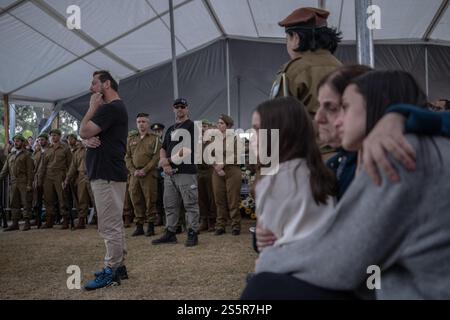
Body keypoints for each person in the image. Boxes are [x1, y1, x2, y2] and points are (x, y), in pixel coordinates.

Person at [243, 70, 450, 300]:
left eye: (343, 107)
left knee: (262, 287)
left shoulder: (396, 152)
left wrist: (271, 260)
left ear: (375, 105)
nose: (328, 119)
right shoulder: (340, 164)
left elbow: (344, 258)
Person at [251, 97, 336, 248]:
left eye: (258, 129)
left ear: (279, 131)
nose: (253, 137)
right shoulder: (318, 170)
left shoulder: (275, 182)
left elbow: (269, 245)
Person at [80, 70, 129, 290]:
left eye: (94, 84)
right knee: (114, 224)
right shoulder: (114, 109)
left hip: (107, 174)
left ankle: (111, 270)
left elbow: (83, 130)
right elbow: (89, 136)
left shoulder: (110, 108)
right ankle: (119, 267)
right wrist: (87, 141)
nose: (91, 88)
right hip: (109, 172)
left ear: (106, 84)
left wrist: (92, 107)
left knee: (109, 226)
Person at [270, 7, 342, 116]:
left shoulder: (294, 70)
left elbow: (275, 119)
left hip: (302, 133)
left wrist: (264, 133)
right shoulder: (342, 69)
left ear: (296, 38)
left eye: (287, 38)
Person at [151, 98, 200, 247]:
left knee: (190, 204)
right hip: (170, 173)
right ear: (173, 109)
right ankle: (170, 233)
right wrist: (164, 163)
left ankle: (192, 233)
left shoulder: (192, 126)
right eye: (177, 106)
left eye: (182, 106)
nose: (179, 109)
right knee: (170, 205)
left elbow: (187, 149)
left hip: (186, 172)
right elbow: (163, 147)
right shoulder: (171, 128)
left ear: (187, 109)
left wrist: (168, 161)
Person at [125, 113, 161, 237]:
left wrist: (145, 170)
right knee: (136, 199)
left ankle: (150, 226)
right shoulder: (131, 139)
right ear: (136, 123)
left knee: (150, 199)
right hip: (134, 174)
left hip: (149, 174)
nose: (141, 124)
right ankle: (139, 226)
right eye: (139, 122)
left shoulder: (154, 138)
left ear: (148, 123)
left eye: (144, 121)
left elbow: (156, 157)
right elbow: (127, 157)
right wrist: (133, 170)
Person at [211, 114, 242, 236]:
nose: (218, 125)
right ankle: (220, 225)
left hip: (232, 170)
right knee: (219, 199)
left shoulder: (235, 139)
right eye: (218, 123)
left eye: (221, 123)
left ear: (228, 126)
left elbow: (237, 154)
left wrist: (222, 164)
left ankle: (235, 225)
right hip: (217, 171)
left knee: (233, 199)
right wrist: (216, 167)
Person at [37, 129, 72, 229]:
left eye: (55, 135)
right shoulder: (47, 149)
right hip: (48, 176)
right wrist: (40, 179)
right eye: (51, 135)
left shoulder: (65, 149)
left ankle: (65, 219)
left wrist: (68, 178)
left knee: (62, 198)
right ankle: (49, 220)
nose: (53, 137)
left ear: (60, 136)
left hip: (60, 175)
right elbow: (43, 166)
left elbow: (70, 164)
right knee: (48, 199)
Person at [0, 134, 34, 231]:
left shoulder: (27, 155)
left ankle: (27, 222)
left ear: (23, 143)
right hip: (13, 182)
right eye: (15, 141)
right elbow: (4, 170)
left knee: (26, 202)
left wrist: (29, 184)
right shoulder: (11, 155)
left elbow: (30, 171)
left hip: (23, 182)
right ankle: (15, 223)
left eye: (18, 141)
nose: (16, 142)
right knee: (14, 203)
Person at [63, 133, 95, 229]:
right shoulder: (78, 151)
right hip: (81, 176)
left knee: (95, 199)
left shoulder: (95, 148)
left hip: (93, 175)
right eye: (84, 139)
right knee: (82, 199)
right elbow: (73, 167)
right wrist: (67, 179)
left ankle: (99, 220)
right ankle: (81, 220)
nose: (85, 140)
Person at [197, 119, 217, 232]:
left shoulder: (214, 141)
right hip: (199, 171)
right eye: (201, 127)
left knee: (211, 196)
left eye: (205, 126)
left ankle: (212, 221)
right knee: (201, 197)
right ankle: (203, 220)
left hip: (210, 169)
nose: (203, 129)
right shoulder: (197, 142)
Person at [32, 133, 49, 229]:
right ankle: (37, 220)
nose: (41, 142)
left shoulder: (50, 151)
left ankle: (49, 220)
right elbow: (34, 167)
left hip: (47, 178)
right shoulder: (37, 153)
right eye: (39, 140)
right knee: (37, 201)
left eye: (42, 140)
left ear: (46, 140)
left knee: (48, 200)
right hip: (38, 179)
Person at [151, 123, 166, 226]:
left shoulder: (165, 142)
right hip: (153, 172)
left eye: (159, 131)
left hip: (163, 171)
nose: (157, 133)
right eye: (155, 131)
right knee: (157, 196)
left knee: (166, 195)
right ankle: (159, 216)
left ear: (162, 132)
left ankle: (166, 217)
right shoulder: (151, 143)